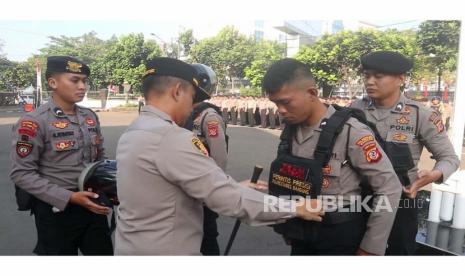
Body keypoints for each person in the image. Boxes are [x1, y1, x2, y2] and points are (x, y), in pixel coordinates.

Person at [114, 57, 324, 255]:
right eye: (192, 98)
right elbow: (228, 199)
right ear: (178, 91)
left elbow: (167, 194)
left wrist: (231, 186)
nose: (192, 106)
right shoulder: (170, 137)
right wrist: (294, 207)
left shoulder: (134, 131)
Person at [263, 58, 402, 255]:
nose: (281, 110)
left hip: (339, 236)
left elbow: (389, 188)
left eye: (285, 102)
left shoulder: (352, 132)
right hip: (300, 231)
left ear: (312, 93)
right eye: (275, 103)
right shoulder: (292, 128)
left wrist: (371, 248)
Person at [350, 51, 460, 255]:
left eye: (378, 76)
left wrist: (430, 176)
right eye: (367, 76)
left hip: (400, 200)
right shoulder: (356, 108)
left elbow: (450, 158)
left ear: (400, 78)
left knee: (399, 253)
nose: (370, 81)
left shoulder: (421, 114)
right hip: (358, 197)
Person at [9, 56, 113, 255]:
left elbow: (99, 159)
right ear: (53, 82)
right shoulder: (33, 122)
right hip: (55, 210)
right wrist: (70, 197)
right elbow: (21, 173)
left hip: (92, 203)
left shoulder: (89, 117)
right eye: (75, 80)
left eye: (85, 80)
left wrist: (108, 187)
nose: (83, 86)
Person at [183, 63, 226, 255]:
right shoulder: (184, 114)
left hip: (203, 189)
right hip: (184, 187)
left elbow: (219, 157)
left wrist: (214, 190)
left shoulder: (209, 117)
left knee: (207, 237)